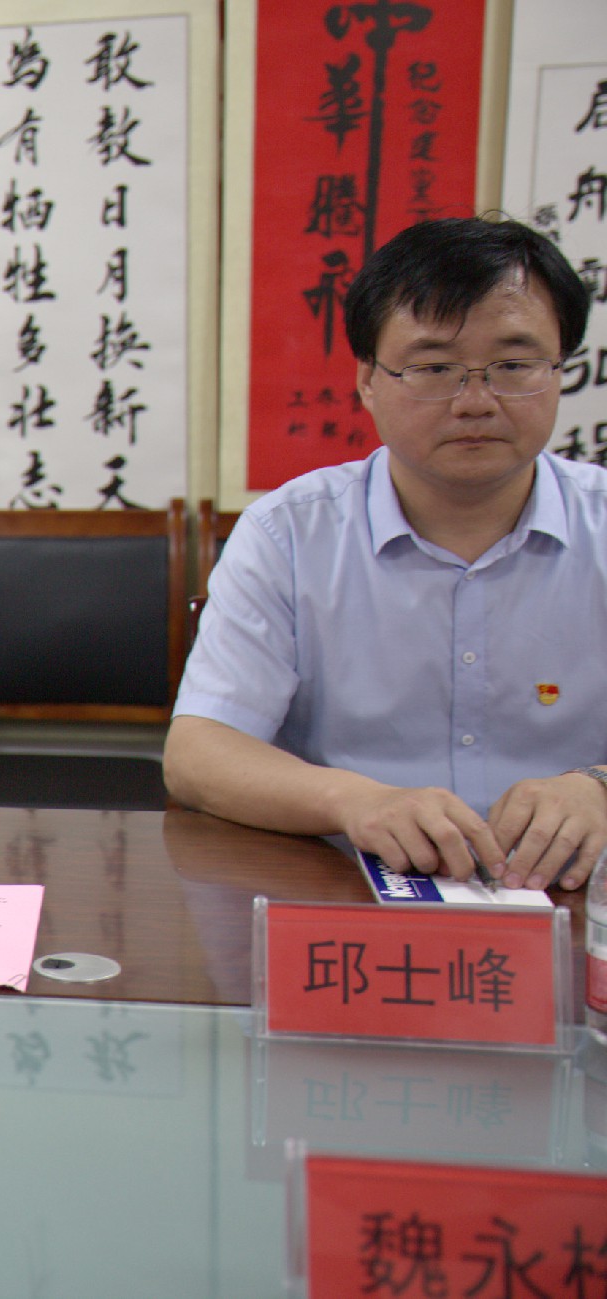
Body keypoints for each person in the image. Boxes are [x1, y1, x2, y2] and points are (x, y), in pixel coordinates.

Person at [166, 216, 604, 894]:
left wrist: (599, 785)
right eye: (434, 368)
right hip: (345, 888)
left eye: (514, 366)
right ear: (368, 380)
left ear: (560, 372)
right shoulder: (289, 534)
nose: (476, 401)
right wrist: (357, 801)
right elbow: (199, 753)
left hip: (576, 898)